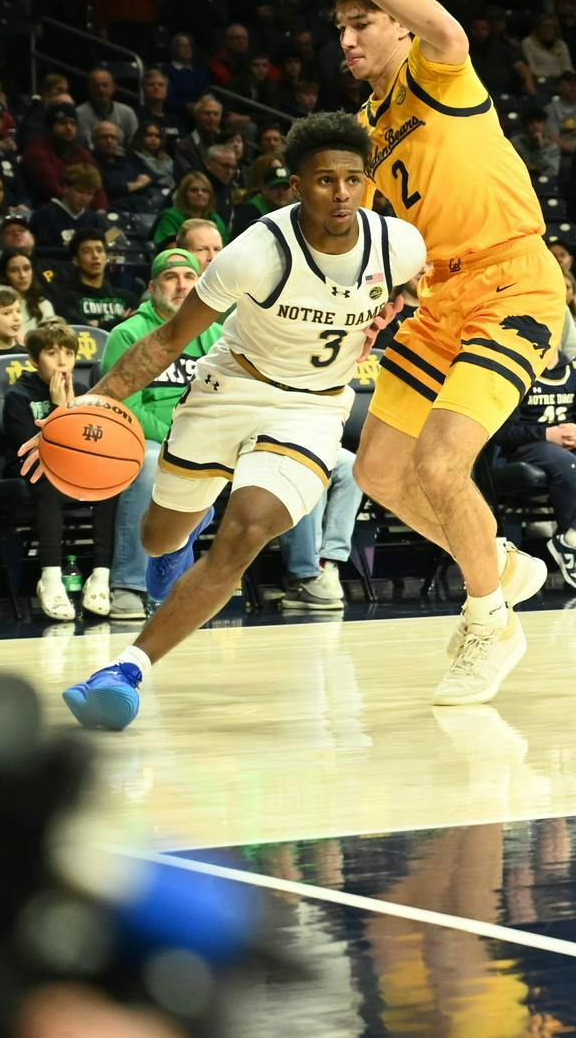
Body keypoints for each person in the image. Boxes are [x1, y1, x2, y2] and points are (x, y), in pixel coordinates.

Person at [47, 112, 428, 729]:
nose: (341, 193)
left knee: (246, 529)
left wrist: (397, 308)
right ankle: (177, 553)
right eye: (325, 180)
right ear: (296, 185)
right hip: (231, 385)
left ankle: (125, 670)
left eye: (354, 179)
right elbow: (169, 338)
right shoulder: (255, 252)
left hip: (311, 406)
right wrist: (95, 403)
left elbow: (429, 286)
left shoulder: (400, 244)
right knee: (159, 537)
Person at [286, 0, 568, 707]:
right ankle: (502, 565)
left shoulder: (435, 69)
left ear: (395, 22)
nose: (347, 40)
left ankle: (491, 618)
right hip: (440, 296)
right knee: (377, 469)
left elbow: (451, 29)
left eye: (360, 22)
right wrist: (387, 294)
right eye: (339, 30)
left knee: (443, 460)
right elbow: (404, 234)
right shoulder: (369, 126)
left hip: (512, 280)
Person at [1, 320, 116, 620]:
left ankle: (100, 577)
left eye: (68, 353)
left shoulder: (83, 392)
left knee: (109, 481)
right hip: (31, 469)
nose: (63, 360)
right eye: (52, 353)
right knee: (49, 479)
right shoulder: (19, 395)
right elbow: (31, 448)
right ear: (34, 359)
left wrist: (72, 406)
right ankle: (50, 578)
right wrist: (58, 408)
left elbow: (87, 446)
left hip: (72, 468)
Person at [489, 334, 576, 594]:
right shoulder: (515, 368)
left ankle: (572, 540)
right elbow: (503, 431)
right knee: (570, 466)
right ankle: (568, 541)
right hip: (526, 447)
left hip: (567, 443)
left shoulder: (574, 370)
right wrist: (547, 434)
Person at [50, 229, 134, 327]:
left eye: (99, 250)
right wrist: (121, 321)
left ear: (106, 257)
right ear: (76, 260)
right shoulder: (65, 298)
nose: (95, 256)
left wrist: (98, 324)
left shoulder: (127, 297)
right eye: (87, 252)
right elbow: (83, 329)